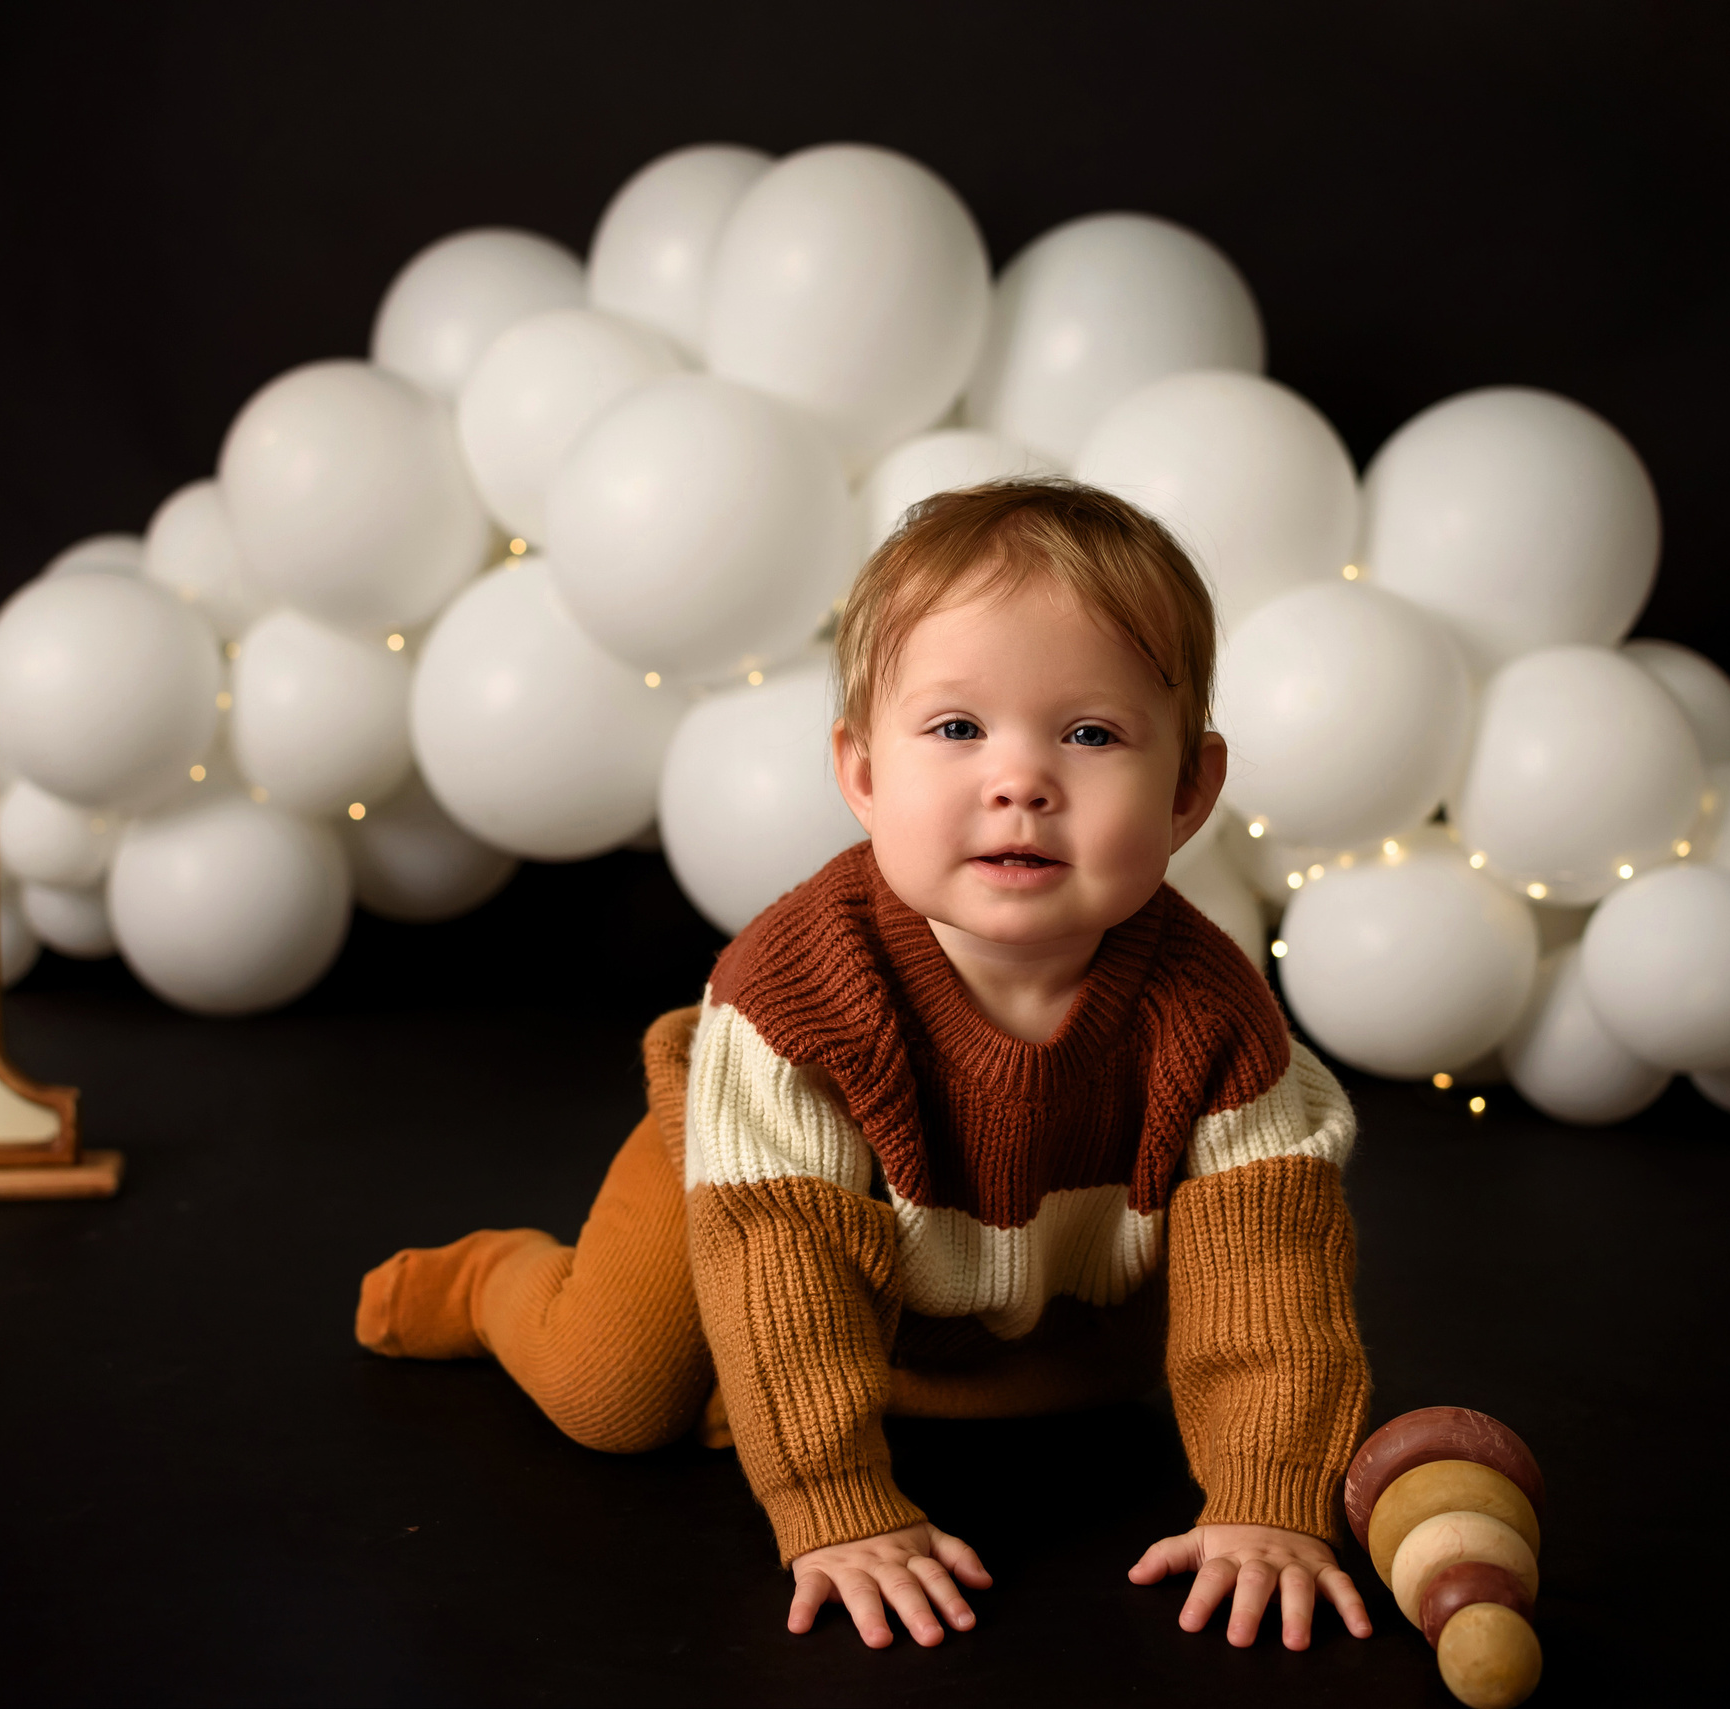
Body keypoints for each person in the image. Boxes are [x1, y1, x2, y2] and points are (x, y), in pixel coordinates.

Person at [356, 479, 1374, 1654]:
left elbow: (1268, 1270)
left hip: (1004, 1273)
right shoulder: (795, 997)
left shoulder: (1216, 1014)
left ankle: (791, 1380)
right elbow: (782, 1259)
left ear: (1189, 788)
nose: (1019, 781)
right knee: (615, 1393)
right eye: (957, 728)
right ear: (862, 773)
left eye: (1090, 733)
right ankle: (493, 1282)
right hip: (742, 1176)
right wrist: (834, 1499)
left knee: (1083, 1400)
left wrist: (1267, 1496)